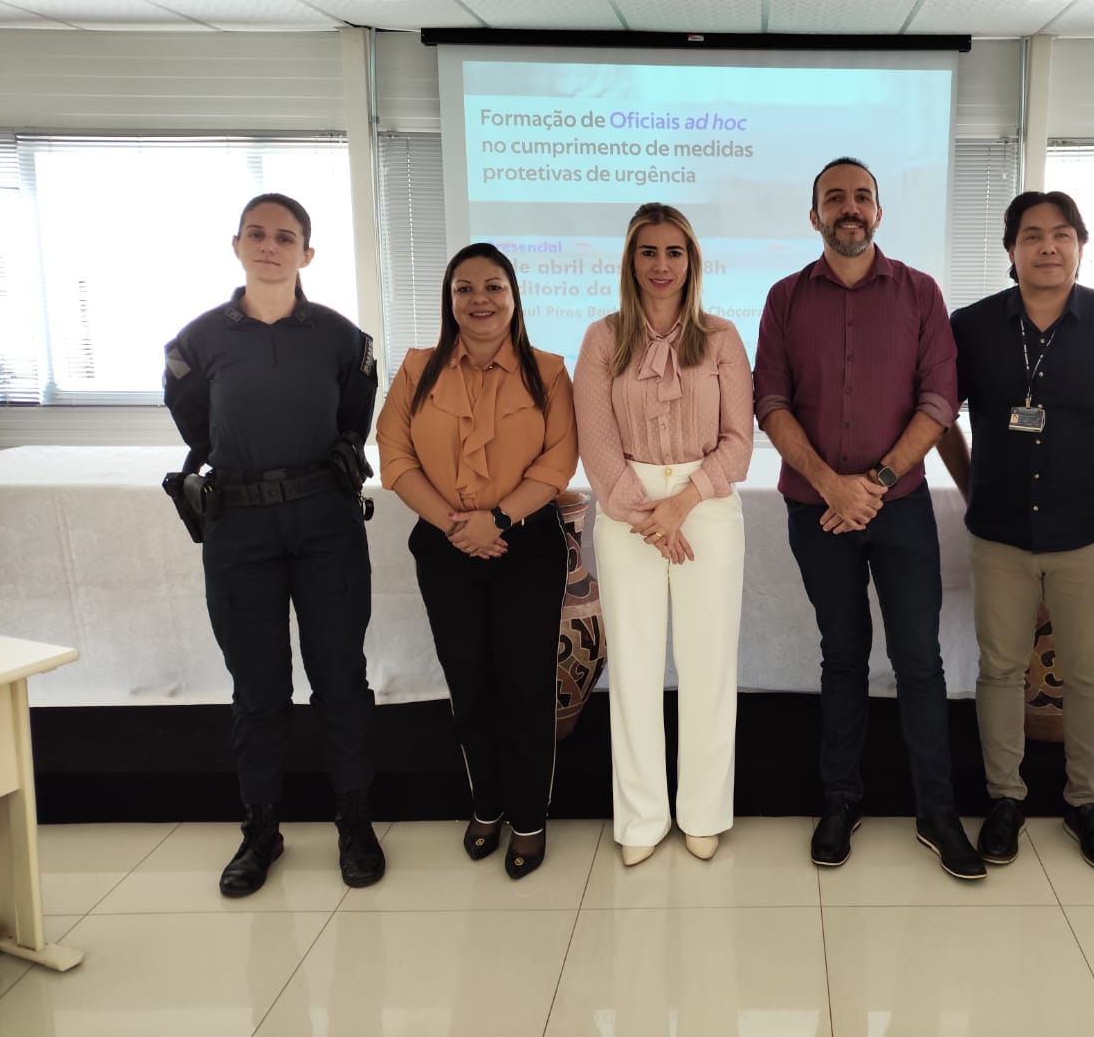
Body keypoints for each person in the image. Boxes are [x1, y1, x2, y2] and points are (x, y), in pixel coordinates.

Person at [753, 156, 984, 881]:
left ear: (879, 212)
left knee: (920, 660)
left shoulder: (920, 293)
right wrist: (831, 485)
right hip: (814, 510)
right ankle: (841, 800)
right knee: (842, 655)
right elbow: (771, 402)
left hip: (903, 508)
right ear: (814, 214)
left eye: (861, 197)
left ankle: (938, 812)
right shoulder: (785, 298)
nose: (848, 208)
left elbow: (939, 401)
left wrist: (875, 483)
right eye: (834, 198)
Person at [163, 192, 384, 898]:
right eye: (257, 234)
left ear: (307, 254)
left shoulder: (342, 339)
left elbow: (353, 420)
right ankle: (261, 828)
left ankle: (354, 818)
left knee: (340, 678)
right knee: (258, 689)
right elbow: (197, 428)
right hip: (239, 528)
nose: (270, 245)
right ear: (236, 245)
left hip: (326, 520)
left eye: (285, 236)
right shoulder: (197, 343)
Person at [938, 190, 1094, 872]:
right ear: (1010, 250)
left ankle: (1085, 802)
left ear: (1081, 245)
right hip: (1001, 530)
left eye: (1062, 235)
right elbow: (939, 413)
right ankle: (1005, 798)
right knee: (1001, 668)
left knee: (1089, 675)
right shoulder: (971, 325)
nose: (1047, 247)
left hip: (1089, 530)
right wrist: (973, 485)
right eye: (1032, 235)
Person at [376, 241, 577, 879]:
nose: (479, 300)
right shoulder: (416, 369)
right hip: (445, 548)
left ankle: (529, 817)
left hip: (526, 547)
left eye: (493, 287)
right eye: (465, 288)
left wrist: (496, 518)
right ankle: (486, 805)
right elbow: (395, 454)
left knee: (524, 687)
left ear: (515, 299)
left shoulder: (548, 371)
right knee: (470, 684)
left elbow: (558, 461)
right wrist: (455, 525)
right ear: (449, 299)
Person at [574, 204, 753, 867]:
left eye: (673, 251)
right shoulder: (601, 339)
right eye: (647, 251)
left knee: (709, 667)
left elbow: (738, 445)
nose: (660, 264)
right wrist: (645, 512)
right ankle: (642, 815)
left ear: (691, 260)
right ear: (630, 260)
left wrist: (681, 506)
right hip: (627, 514)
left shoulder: (724, 337)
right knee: (637, 668)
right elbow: (596, 443)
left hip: (704, 508)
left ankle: (704, 811)